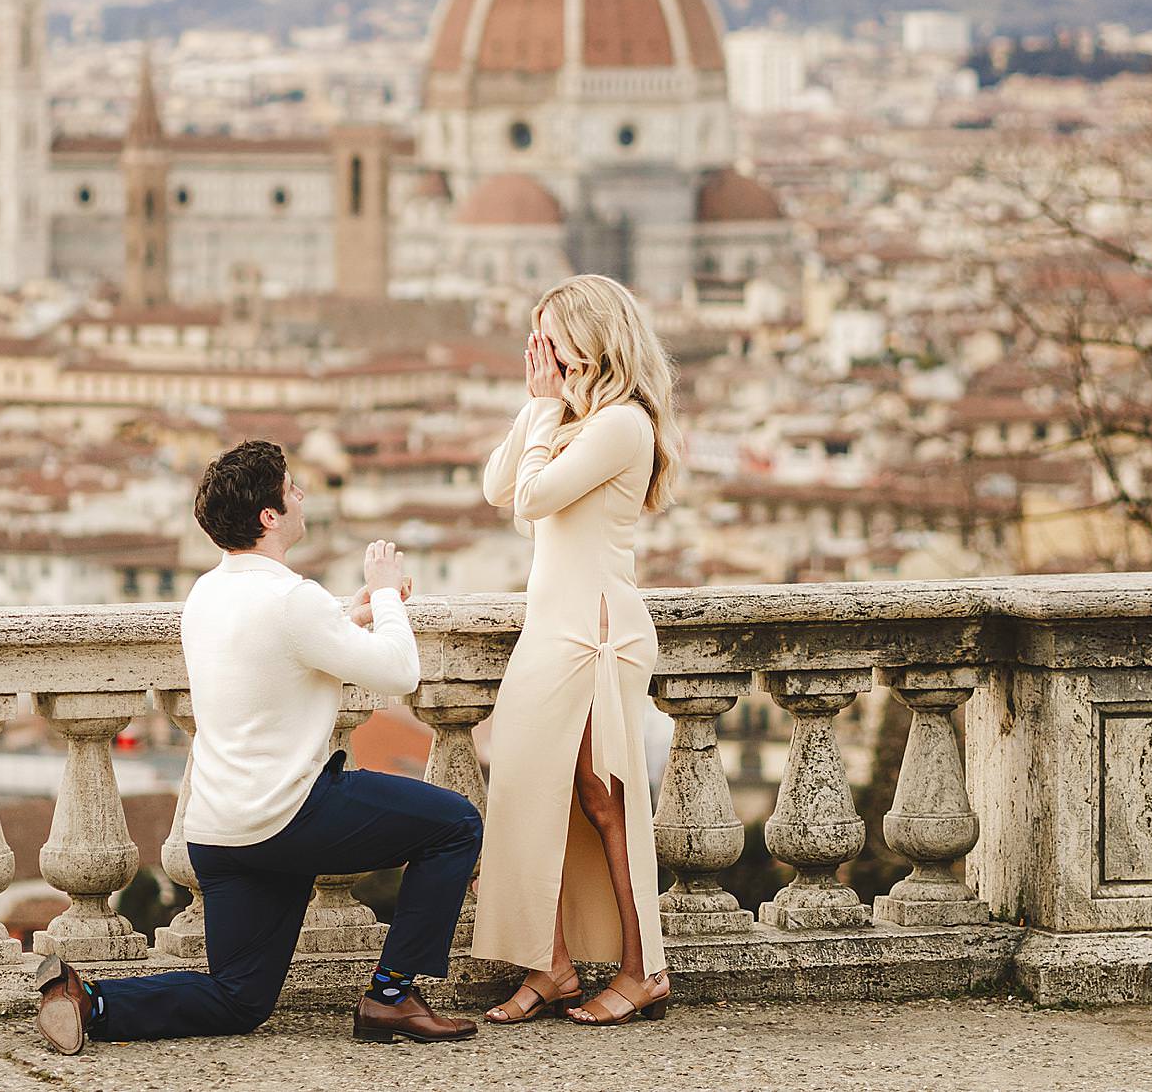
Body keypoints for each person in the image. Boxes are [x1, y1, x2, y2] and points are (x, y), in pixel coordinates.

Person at [35, 439, 483, 1053]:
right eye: (291, 489)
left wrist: (345, 615)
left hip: (220, 831)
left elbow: (287, 640)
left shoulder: (207, 595)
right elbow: (400, 673)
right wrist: (381, 591)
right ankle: (391, 996)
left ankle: (91, 1000)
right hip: (293, 816)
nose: (301, 496)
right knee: (455, 823)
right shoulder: (291, 599)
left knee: (240, 998)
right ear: (270, 516)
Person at [474, 274, 680, 1027]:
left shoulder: (621, 425)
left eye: (552, 338)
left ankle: (642, 969)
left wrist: (545, 409)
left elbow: (531, 500)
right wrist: (538, 403)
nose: (544, 353)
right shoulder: (571, 418)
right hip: (551, 632)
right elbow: (500, 483)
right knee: (529, 797)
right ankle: (550, 965)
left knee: (604, 800)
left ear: (591, 338)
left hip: (596, 633)